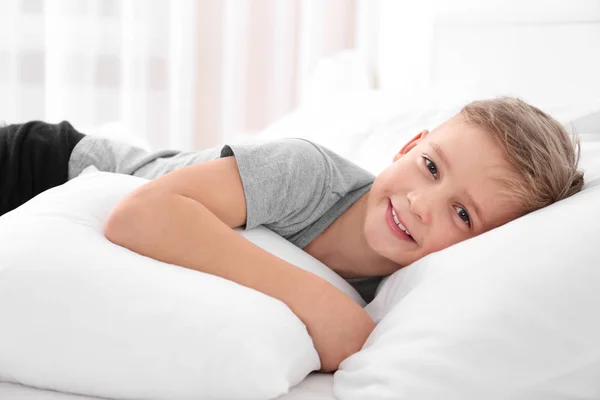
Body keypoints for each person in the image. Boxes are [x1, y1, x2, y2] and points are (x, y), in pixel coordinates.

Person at [0, 97, 584, 372]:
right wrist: (316, 301)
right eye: (430, 167)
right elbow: (140, 216)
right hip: (42, 166)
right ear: (409, 146)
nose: (420, 204)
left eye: (463, 216)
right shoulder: (307, 173)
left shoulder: (409, 293)